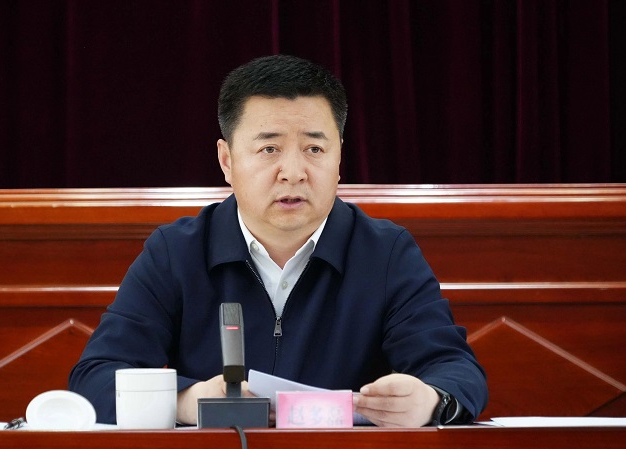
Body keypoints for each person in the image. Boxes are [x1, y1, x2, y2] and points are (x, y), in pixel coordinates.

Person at [69, 54, 488, 427]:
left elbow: (455, 369)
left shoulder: (385, 252)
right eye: (269, 149)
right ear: (227, 161)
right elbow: (95, 377)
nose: (293, 172)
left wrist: (431, 400)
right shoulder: (176, 252)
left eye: (314, 149)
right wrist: (187, 401)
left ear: (339, 158)